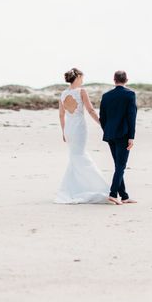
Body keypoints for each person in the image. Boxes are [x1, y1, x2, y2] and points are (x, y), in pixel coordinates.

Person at [54, 68, 111, 204]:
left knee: (75, 157)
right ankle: (97, 186)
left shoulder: (63, 94)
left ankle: (74, 188)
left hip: (69, 129)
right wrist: (102, 123)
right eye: (82, 77)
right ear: (78, 77)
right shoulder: (81, 91)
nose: (83, 80)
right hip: (79, 128)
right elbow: (90, 110)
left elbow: (61, 115)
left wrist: (63, 131)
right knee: (80, 156)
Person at [99, 70, 138, 204]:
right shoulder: (130, 95)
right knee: (121, 165)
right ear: (126, 80)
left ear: (114, 80)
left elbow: (102, 117)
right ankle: (113, 193)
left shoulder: (106, 96)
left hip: (110, 134)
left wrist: (107, 130)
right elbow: (131, 116)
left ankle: (124, 196)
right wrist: (131, 136)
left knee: (118, 165)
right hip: (123, 134)